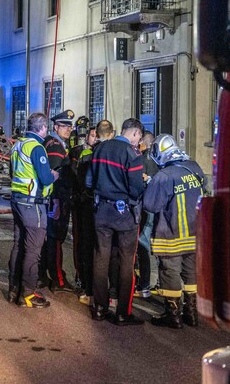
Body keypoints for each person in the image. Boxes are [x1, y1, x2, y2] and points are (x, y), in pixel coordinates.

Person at [143, 134, 206, 329]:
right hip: (195, 233)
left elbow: (151, 205)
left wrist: (149, 184)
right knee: (191, 272)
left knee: (169, 272)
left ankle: (173, 315)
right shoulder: (194, 168)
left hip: (171, 234)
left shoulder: (164, 176)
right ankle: (191, 313)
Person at [87, 118, 145, 326]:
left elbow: (89, 181)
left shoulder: (100, 149)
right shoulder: (132, 154)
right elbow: (136, 188)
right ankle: (122, 313)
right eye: (139, 137)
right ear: (135, 133)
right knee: (126, 261)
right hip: (124, 214)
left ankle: (99, 308)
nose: (138, 142)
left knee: (100, 258)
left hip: (101, 210)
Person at [8, 112, 59, 308]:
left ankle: (14, 289)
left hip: (17, 200)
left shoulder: (18, 145)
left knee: (18, 245)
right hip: (33, 204)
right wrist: (55, 175)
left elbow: (12, 172)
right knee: (33, 249)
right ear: (43, 128)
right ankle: (28, 294)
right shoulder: (37, 147)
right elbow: (45, 178)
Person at [40, 109, 75, 291]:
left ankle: (42, 275)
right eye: (64, 126)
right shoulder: (55, 146)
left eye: (70, 126)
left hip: (55, 198)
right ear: (55, 127)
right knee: (55, 238)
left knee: (50, 238)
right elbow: (53, 175)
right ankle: (58, 279)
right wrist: (56, 201)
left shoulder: (55, 143)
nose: (68, 129)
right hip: (57, 198)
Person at [69, 119, 97, 304]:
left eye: (97, 135)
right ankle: (81, 278)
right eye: (92, 135)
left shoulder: (100, 153)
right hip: (82, 205)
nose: (94, 138)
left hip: (95, 207)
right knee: (81, 243)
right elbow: (74, 177)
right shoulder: (78, 152)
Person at [135, 131, 159, 298]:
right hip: (157, 207)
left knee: (142, 245)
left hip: (144, 206)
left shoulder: (142, 158)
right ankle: (158, 283)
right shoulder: (159, 160)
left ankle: (143, 285)